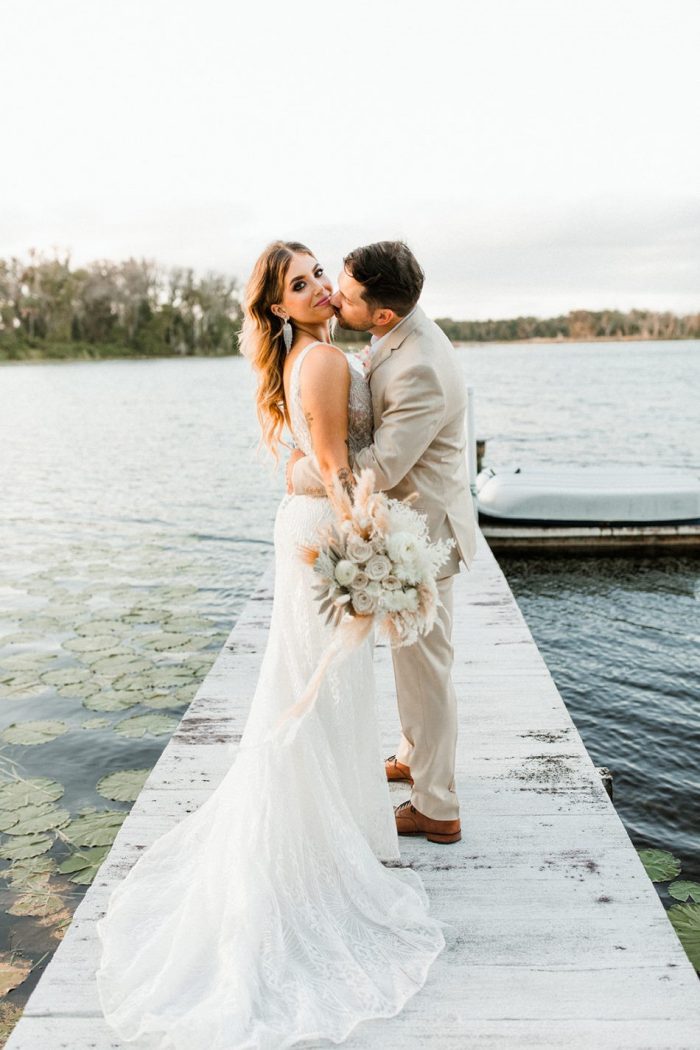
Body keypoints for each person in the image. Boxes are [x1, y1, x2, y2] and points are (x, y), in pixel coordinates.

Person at [95, 241, 445, 1049]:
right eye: (301, 282)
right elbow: (327, 465)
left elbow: (306, 458)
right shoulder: (320, 360)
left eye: (321, 271)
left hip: (311, 531)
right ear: (279, 307)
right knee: (314, 695)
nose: (321, 285)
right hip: (326, 533)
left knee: (312, 693)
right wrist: (368, 542)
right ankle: (310, 859)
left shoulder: (312, 354)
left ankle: (328, 837)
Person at [289, 240, 477, 844]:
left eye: (343, 294)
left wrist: (308, 470)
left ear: (383, 316)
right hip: (408, 523)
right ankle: (412, 755)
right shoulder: (396, 334)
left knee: (426, 669)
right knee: (410, 659)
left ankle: (437, 805)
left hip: (427, 534)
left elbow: (383, 468)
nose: (331, 296)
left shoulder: (419, 363)